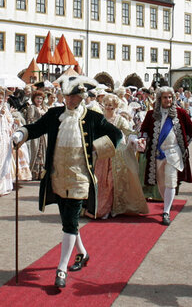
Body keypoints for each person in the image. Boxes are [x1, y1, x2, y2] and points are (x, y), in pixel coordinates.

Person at [12, 75, 122, 288]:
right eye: (67, 97)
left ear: (81, 97)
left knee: (70, 221)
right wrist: (21, 133)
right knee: (67, 221)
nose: (70, 101)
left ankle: (61, 268)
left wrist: (97, 147)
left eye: (74, 97)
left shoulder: (92, 117)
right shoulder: (54, 115)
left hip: (80, 177)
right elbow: (36, 128)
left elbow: (116, 134)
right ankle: (82, 253)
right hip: (57, 176)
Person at [139, 86, 192, 225]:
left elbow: (191, 132)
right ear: (160, 99)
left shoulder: (181, 113)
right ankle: (166, 204)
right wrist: (142, 140)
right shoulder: (151, 114)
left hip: (173, 153)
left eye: (170, 97)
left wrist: (182, 146)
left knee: (171, 181)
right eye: (165, 97)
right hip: (157, 154)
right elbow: (144, 131)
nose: (168, 100)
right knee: (161, 182)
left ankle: (166, 212)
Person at [23, 90, 48, 180]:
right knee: (35, 151)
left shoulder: (44, 108)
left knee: (43, 151)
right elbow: (30, 120)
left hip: (44, 133)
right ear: (34, 99)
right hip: (36, 132)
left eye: (41, 98)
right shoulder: (32, 107)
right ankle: (33, 173)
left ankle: (42, 173)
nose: (39, 100)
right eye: (37, 98)